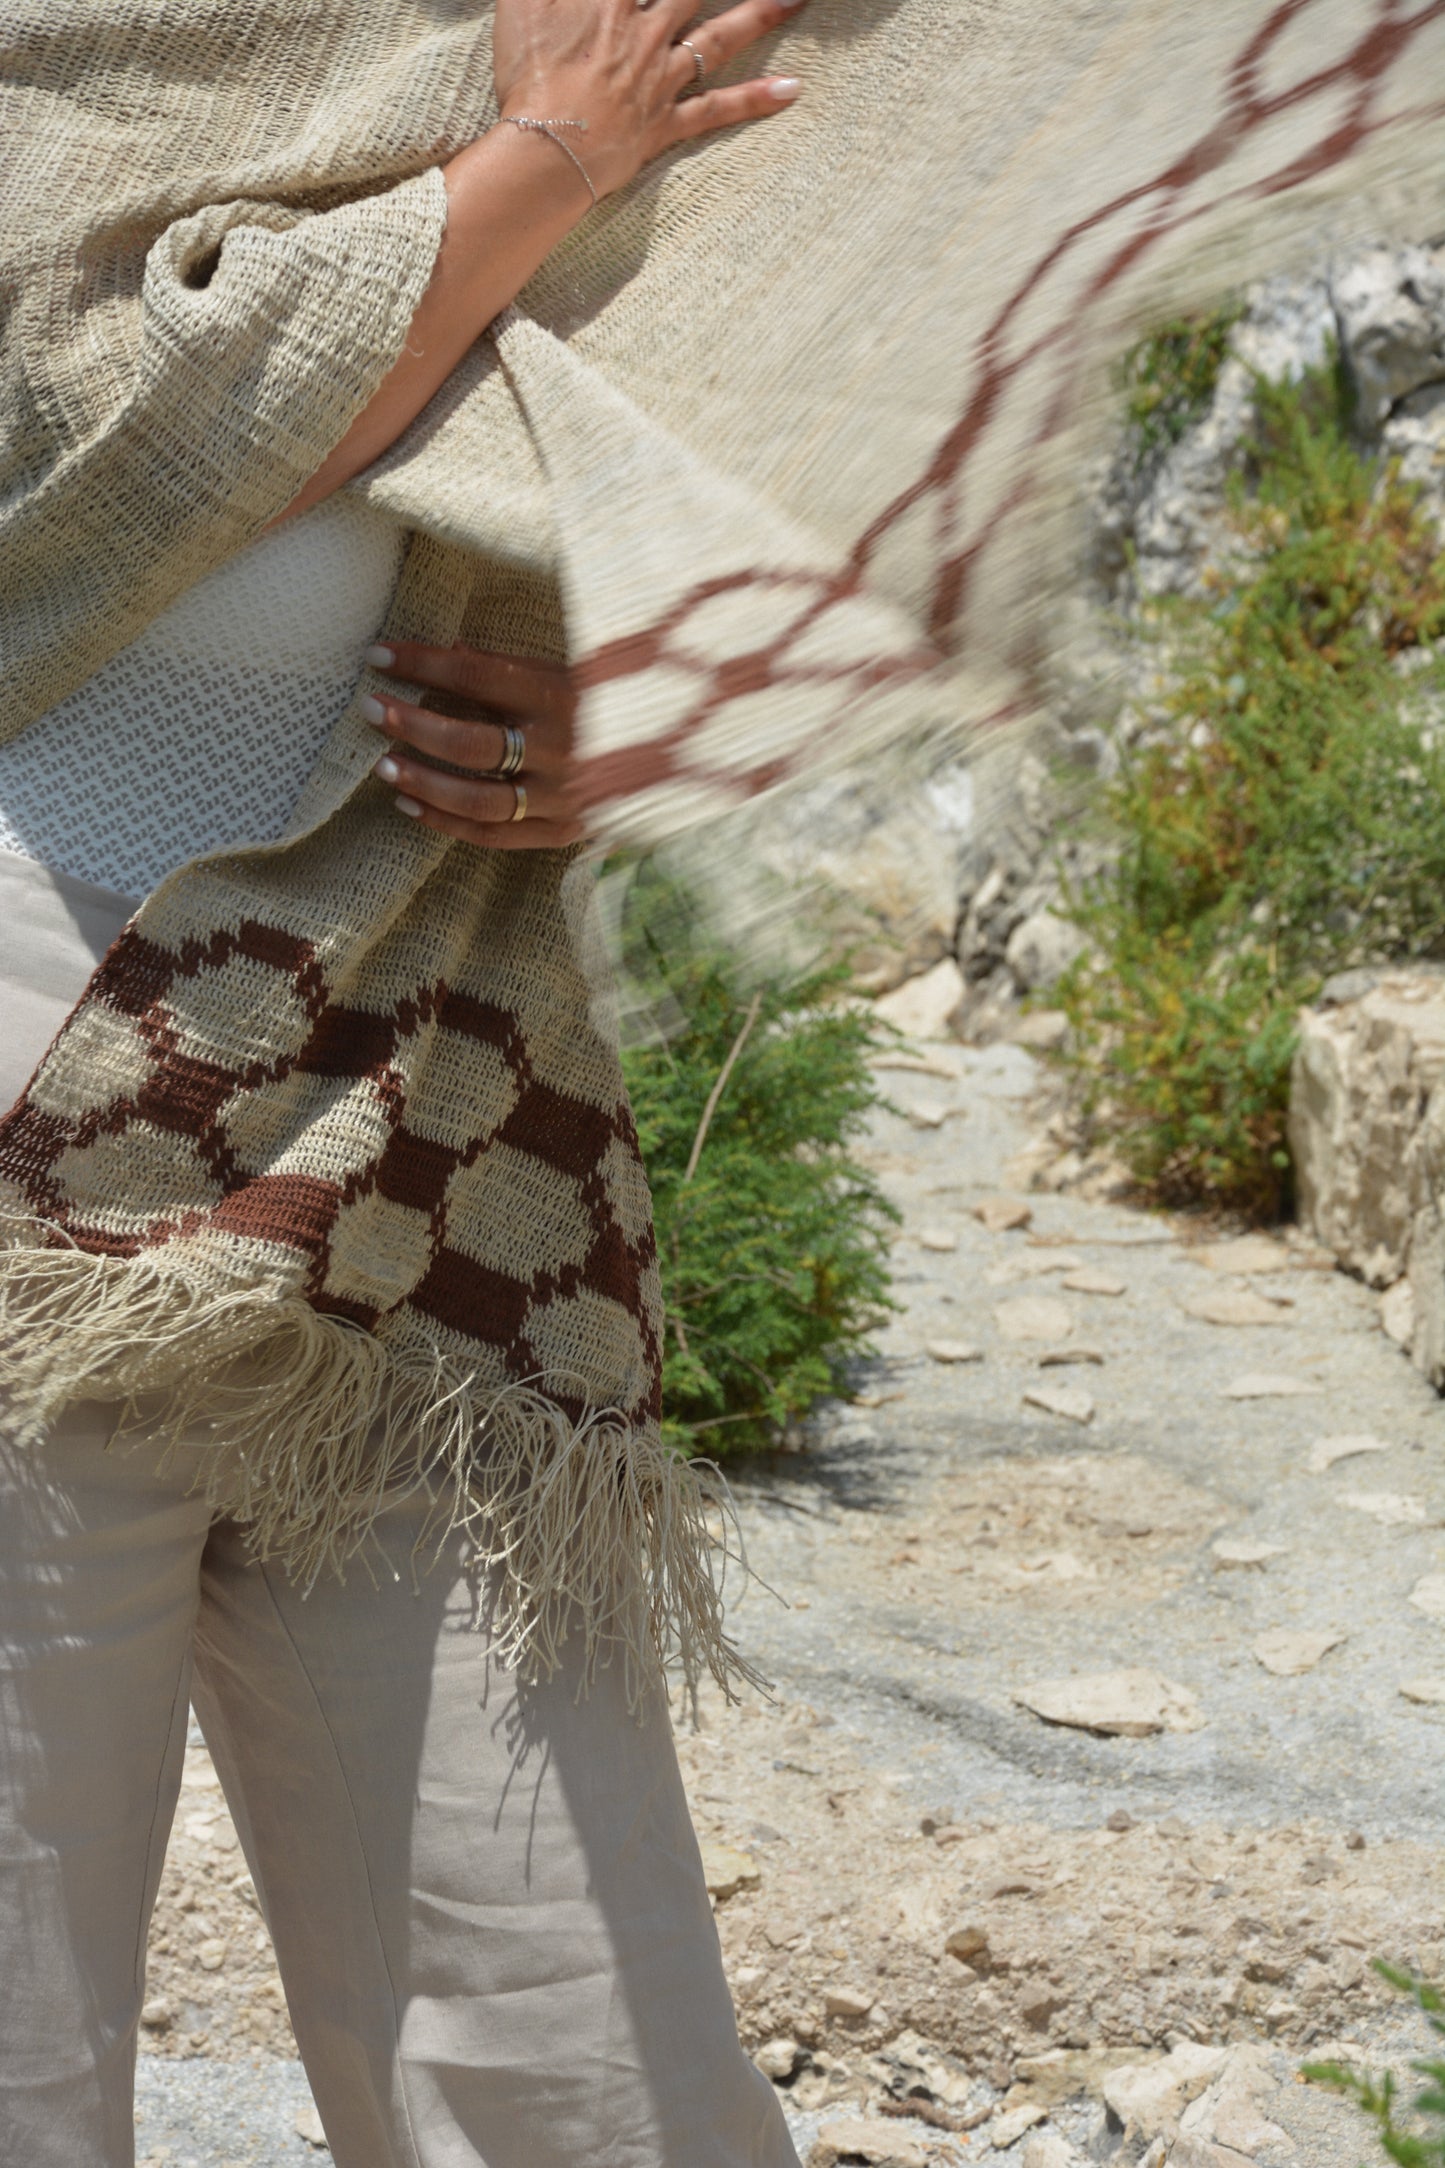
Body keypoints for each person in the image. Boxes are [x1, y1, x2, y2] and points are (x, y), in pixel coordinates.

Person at [0, 3, 810, 2162]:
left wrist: (647, 721)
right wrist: (543, 163)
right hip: (31, 1142)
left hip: (434, 1129)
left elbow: (805, 492)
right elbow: (100, 453)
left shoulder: (601, 41)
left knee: (580, 2046)